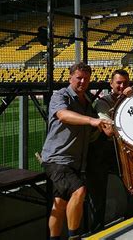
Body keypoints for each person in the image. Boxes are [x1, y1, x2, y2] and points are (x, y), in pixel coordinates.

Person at [41, 62, 112, 240]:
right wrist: (91, 120)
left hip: (74, 161)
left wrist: (105, 128)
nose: (82, 82)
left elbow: (93, 128)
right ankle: (74, 237)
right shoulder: (60, 95)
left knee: (60, 202)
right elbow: (63, 115)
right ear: (70, 78)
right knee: (79, 191)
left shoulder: (86, 100)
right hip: (57, 159)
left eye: (86, 79)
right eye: (78, 78)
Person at [86, 69, 133, 233]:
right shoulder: (103, 102)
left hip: (121, 151)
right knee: (98, 196)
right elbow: (109, 131)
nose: (122, 86)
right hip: (101, 152)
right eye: (118, 83)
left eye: (125, 83)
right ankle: (97, 233)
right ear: (111, 84)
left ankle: (132, 224)